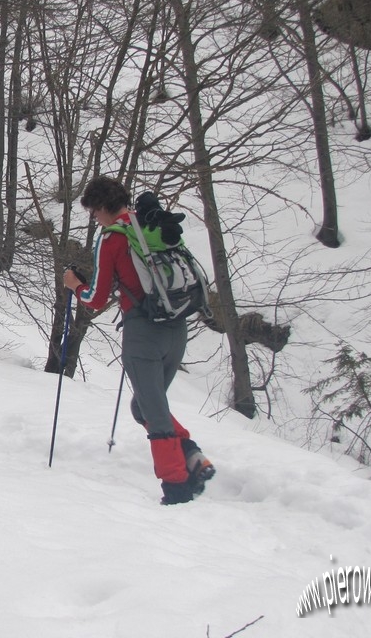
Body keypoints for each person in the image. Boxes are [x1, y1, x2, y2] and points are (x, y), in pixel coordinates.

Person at [62, 176, 215, 505]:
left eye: (93, 212)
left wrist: (75, 285)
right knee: (144, 406)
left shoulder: (113, 236)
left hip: (143, 335)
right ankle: (191, 457)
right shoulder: (150, 224)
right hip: (177, 329)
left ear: (102, 207)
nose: (94, 218)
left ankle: (176, 487)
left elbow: (97, 298)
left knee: (155, 414)